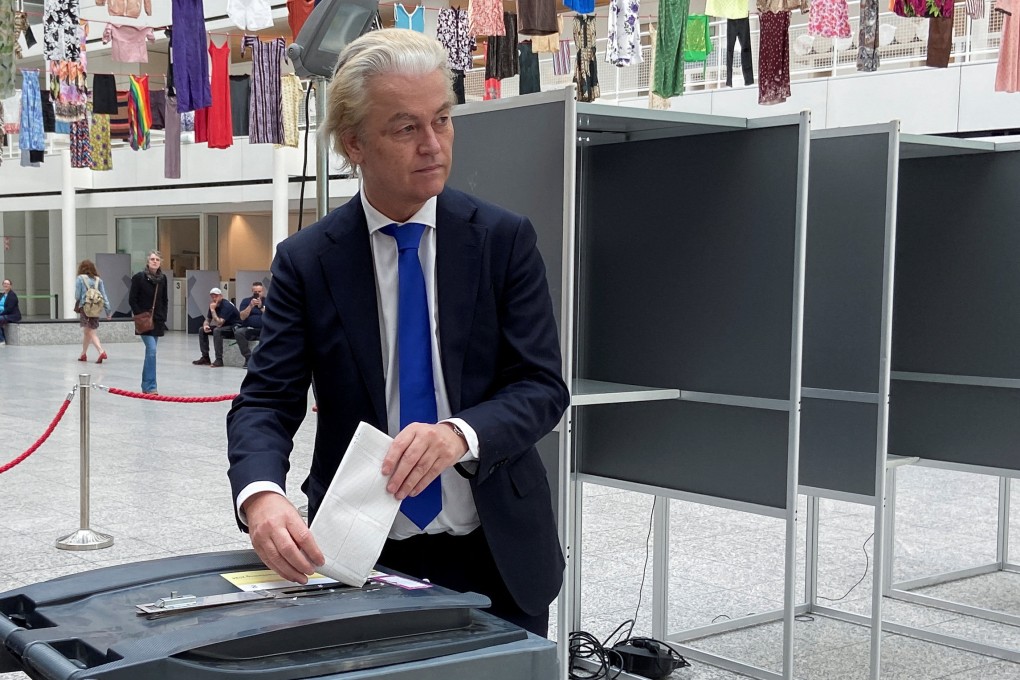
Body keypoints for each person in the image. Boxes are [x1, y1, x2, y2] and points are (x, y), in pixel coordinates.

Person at [225, 29, 568, 637]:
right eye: (406, 128)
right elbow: (266, 400)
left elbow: (541, 387)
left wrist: (458, 435)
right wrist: (260, 495)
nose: (433, 145)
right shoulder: (309, 261)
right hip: (363, 551)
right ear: (354, 143)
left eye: (442, 120)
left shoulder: (502, 240)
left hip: (497, 551)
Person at [129, 251, 169, 395]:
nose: (154, 261)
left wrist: (163, 316)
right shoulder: (139, 278)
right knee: (152, 351)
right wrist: (140, 315)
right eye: (152, 259)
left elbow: (164, 299)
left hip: (157, 320)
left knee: (150, 353)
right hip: (144, 321)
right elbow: (132, 299)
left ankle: (146, 385)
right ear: (147, 262)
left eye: (157, 259)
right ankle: (151, 386)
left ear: (160, 262)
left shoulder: (162, 279)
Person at [74, 260, 113, 363]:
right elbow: (104, 297)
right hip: (95, 309)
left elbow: (77, 296)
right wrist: (108, 312)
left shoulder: (80, 279)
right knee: (87, 331)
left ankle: (101, 351)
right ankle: (83, 354)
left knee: (90, 331)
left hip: (85, 309)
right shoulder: (98, 280)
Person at [194, 287, 240, 368]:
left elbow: (219, 323)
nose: (214, 298)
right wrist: (206, 325)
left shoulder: (226, 306)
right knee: (201, 330)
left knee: (217, 330)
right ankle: (205, 357)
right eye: (212, 296)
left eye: (216, 296)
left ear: (221, 296)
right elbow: (207, 319)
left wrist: (213, 310)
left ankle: (219, 359)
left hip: (233, 327)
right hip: (224, 326)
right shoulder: (213, 305)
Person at [234, 281, 267, 368]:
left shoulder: (268, 301)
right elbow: (242, 317)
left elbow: (271, 317)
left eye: (259, 292)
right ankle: (248, 357)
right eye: (255, 292)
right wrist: (250, 306)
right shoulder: (246, 301)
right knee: (238, 332)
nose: (257, 294)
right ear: (252, 291)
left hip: (264, 329)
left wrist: (261, 307)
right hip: (249, 328)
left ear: (263, 291)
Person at [0, 278, 22, 346]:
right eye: (4, 283)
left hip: (12, 315)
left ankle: (2, 340)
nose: (6, 285)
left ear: (10, 286)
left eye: (7, 284)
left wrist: (0, 313)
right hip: (3, 314)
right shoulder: (2, 295)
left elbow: (9, 309)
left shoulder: (12, 295)